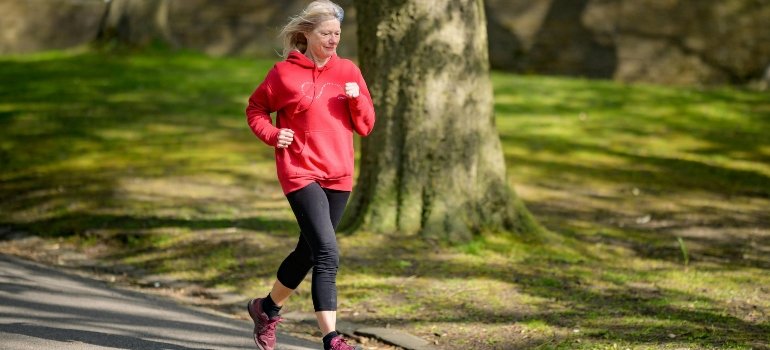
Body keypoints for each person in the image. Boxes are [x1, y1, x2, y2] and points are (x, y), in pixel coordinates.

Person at [244, 1, 375, 350]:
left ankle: (266, 307)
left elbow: (365, 126)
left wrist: (357, 98)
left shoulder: (349, 71)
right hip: (300, 171)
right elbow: (256, 109)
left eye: (337, 34)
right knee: (328, 253)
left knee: (309, 251)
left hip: (339, 174)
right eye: (326, 33)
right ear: (307, 34)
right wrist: (273, 134)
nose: (333, 40)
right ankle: (331, 338)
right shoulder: (283, 74)